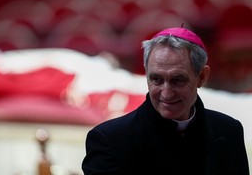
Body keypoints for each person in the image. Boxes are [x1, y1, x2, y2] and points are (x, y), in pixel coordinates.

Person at [81, 27, 250, 175]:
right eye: (156, 79)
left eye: (178, 80)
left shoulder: (229, 131)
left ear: (201, 77)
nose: (166, 93)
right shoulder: (109, 140)